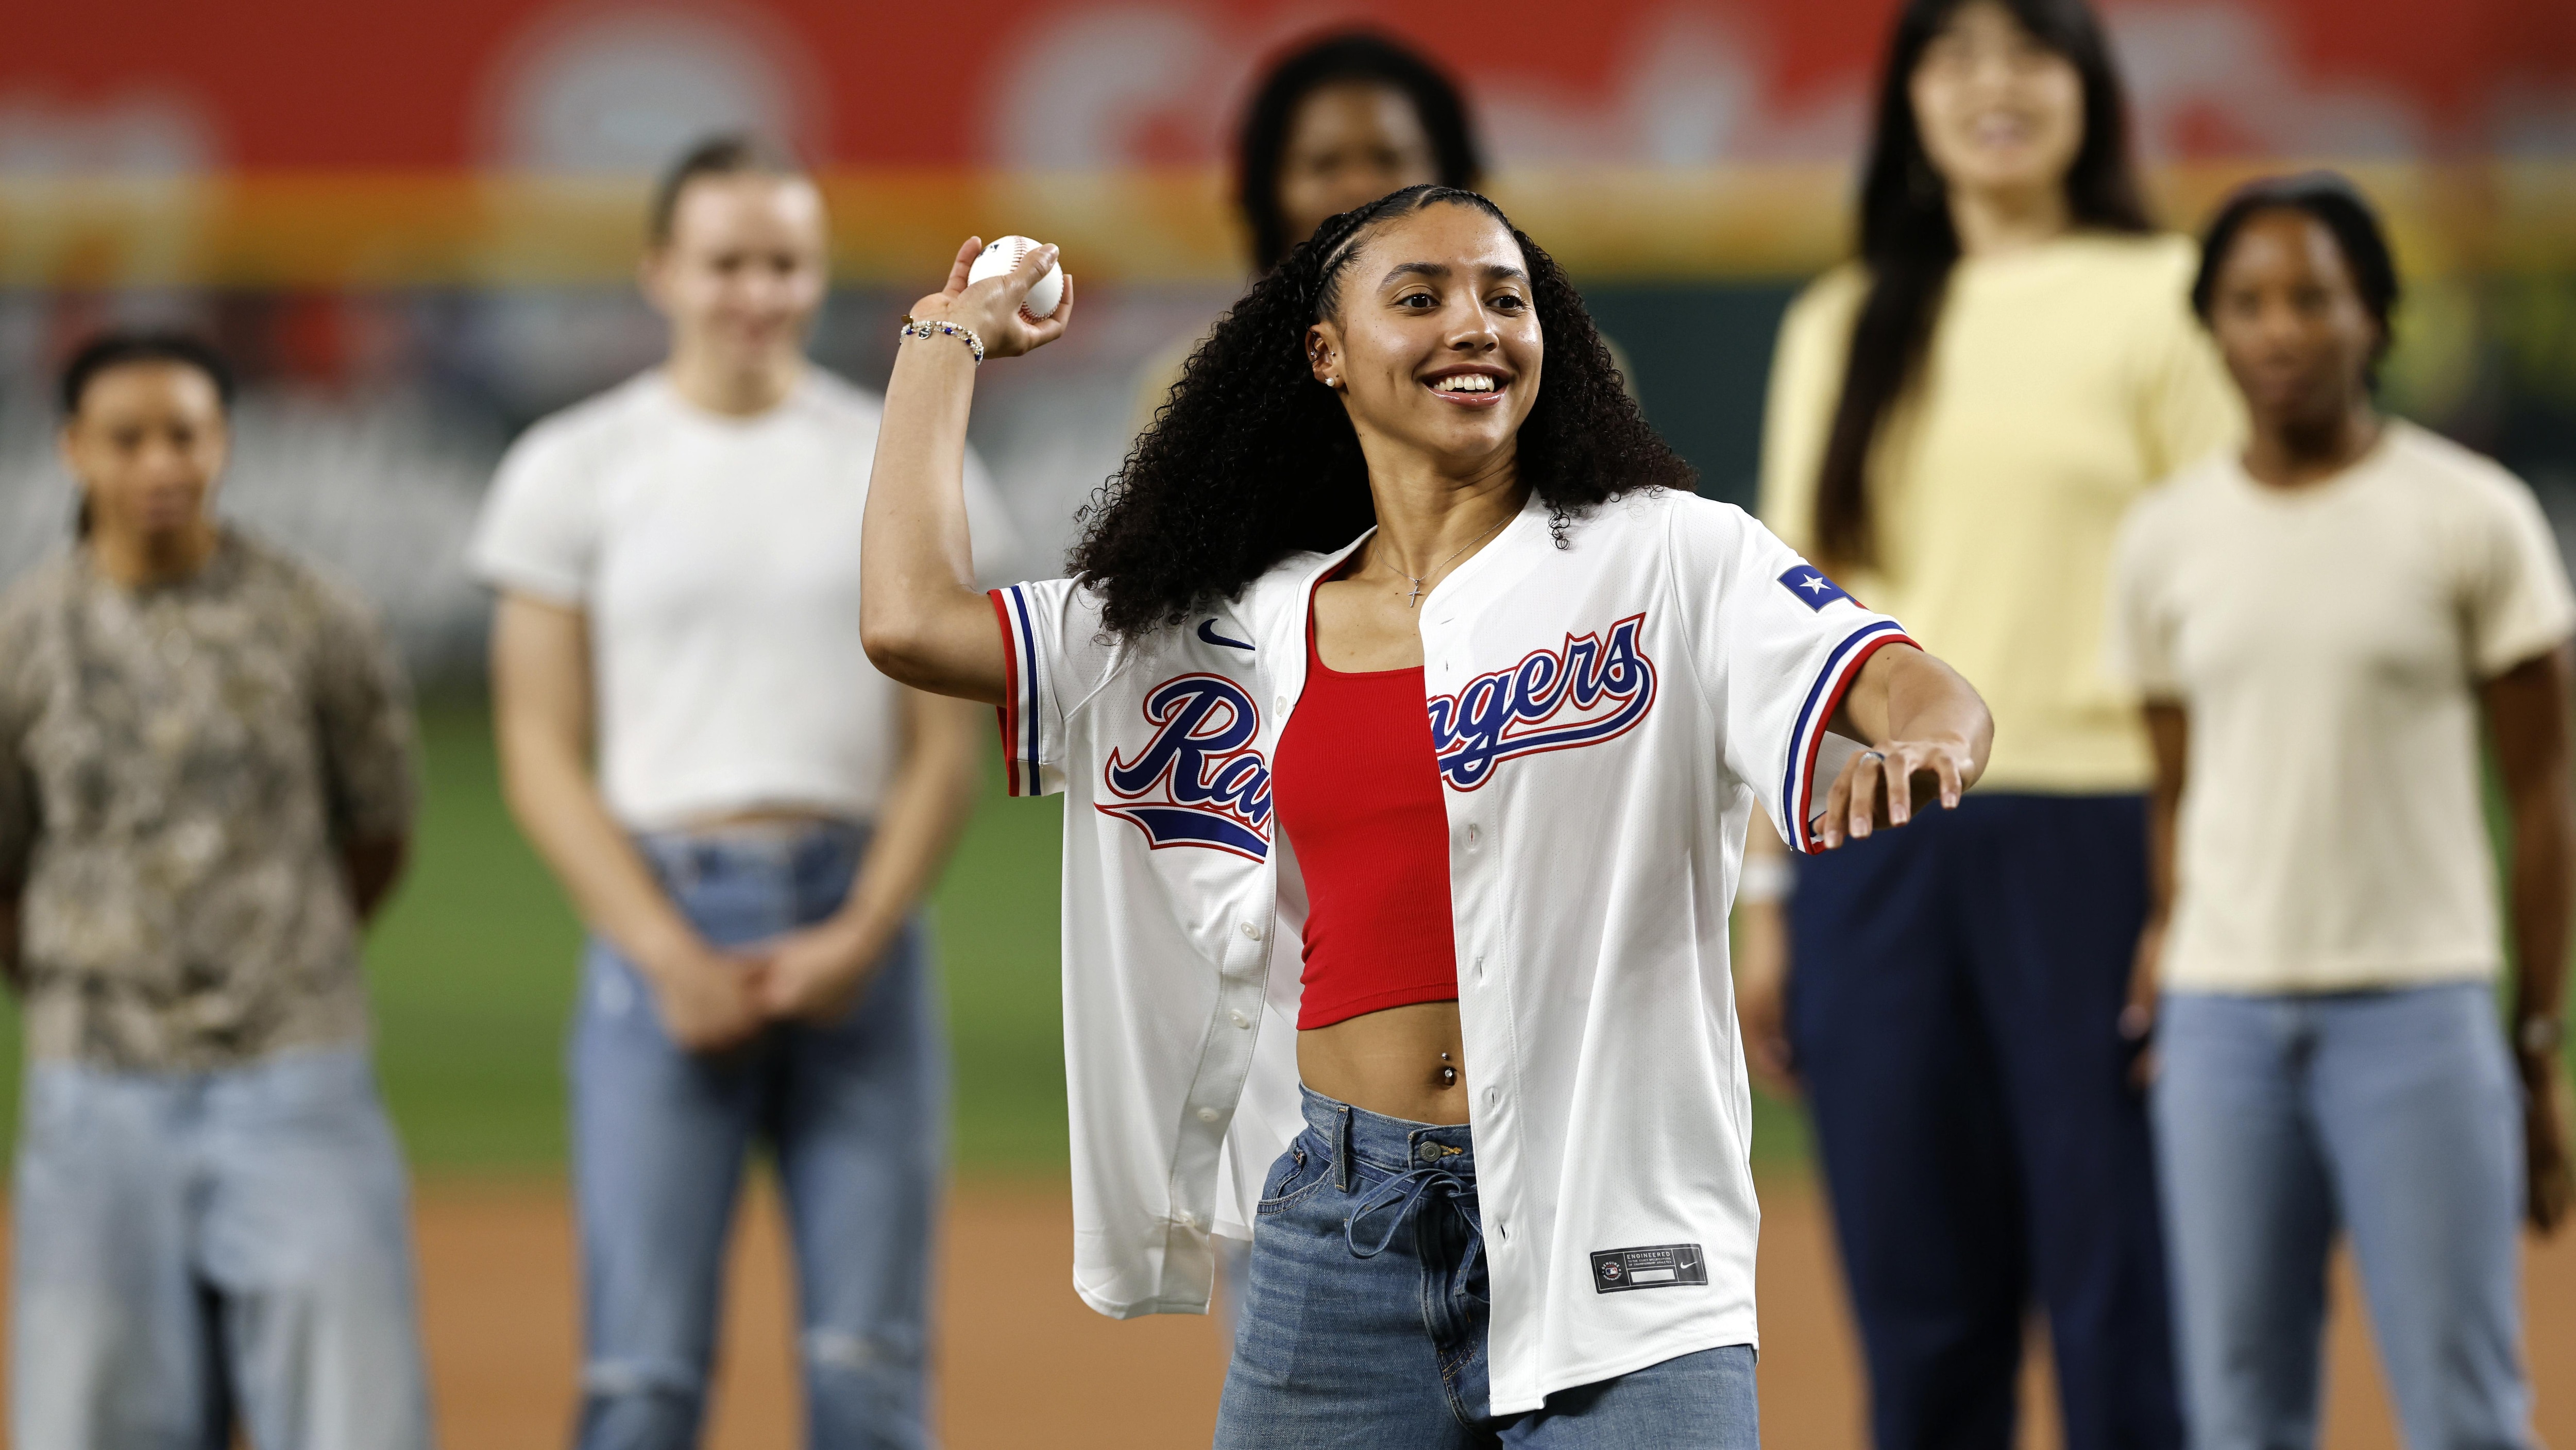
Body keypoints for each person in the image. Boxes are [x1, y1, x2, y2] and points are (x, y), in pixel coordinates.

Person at [858, 184, 1993, 1444]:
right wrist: (943, 338)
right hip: (1340, 1243)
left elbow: (1907, 682)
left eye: (1506, 298)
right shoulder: (1227, 625)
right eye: (1420, 298)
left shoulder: (1669, 556)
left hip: (1616, 1225)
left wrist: (1930, 738)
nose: (1476, 325)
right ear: (1324, 353)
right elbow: (911, 622)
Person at [1742, 0, 2244, 1444]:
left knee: (2120, 1286)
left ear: (2090, 92)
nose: (1994, 87)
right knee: (1918, 1300)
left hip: (2096, 836)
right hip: (1876, 854)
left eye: (2030, 54)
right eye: (1955, 59)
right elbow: (1791, 621)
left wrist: (2192, 883)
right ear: (1909, 103)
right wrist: (1769, 897)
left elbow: (2219, 602)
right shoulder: (1844, 317)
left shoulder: (2171, 295)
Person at [470, 135, 1018, 1448]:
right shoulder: (574, 467)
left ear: (820, 276)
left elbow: (942, 750)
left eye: (785, 262)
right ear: (661, 270)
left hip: (857, 922)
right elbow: (539, 750)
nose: (756, 290)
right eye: (727, 261)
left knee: (867, 1369)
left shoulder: (892, 460)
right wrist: (663, 951)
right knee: (642, 1380)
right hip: (663, 918)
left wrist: (860, 935)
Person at [2113, 173, 2574, 1450]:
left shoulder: (2472, 517)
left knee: (2466, 1409)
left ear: (2374, 316)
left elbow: (2541, 792)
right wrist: (2173, 938)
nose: (2278, 330)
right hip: (2221, 1030)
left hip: (2418, 1013)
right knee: (2239, 1412)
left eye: (2312, 298)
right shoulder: (2164, 539)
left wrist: (2535, 1044)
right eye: (2246, 302)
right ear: (2210, 327)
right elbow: (2177, 789)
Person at [0, 332, 432, 1448]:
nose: (160, 464)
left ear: (224, 441)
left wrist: (287, 950)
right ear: (72, 450)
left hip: (295, 1065)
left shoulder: (318, 618)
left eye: (184, 434)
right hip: (96, 1077)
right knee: (93, 1417)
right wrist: (72, 972)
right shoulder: (23, 637)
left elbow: (379, 827)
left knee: (355, 1415)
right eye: (127, 438)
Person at [1128, 29, 1483, 437]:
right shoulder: (1194, 387)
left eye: (1389, 158)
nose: (1359, 189)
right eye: (1324, 164)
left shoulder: (1510, 362)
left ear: (1455, 185)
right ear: (1268, 193)